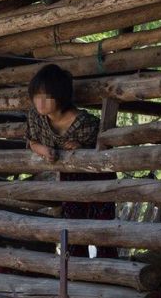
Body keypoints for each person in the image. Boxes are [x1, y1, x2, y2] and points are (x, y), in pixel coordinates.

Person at [24, 64, 118, 259]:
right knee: (73, 232)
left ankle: (108, 270)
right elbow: (32, 141)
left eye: (46, 96)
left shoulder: (85, 123)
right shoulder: (36, 118)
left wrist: (82, 147)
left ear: (60, 95)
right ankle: (75, 272)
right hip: (69, 181)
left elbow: (104, 152)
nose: (39, 102)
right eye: (36, 96)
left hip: (97, 181)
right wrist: (44, 150)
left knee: (102, 231)